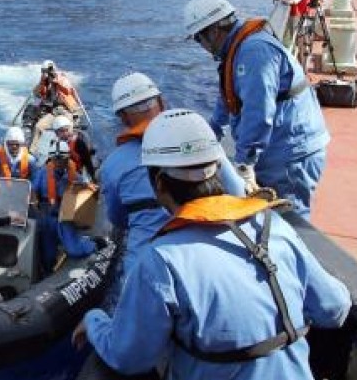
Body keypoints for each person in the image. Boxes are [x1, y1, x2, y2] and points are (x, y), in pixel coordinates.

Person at [72, 109, 351, 380]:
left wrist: (96, 322)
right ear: (217, 169)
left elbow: (130, 356)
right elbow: (334, 309)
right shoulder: (273, 226)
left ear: (159, 184)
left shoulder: (162, 261)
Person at [183, 0, 330, 219]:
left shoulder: (253, 52)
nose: (200, 46)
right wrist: (211, 132)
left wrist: (244, 163)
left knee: (290, 219)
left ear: (213, 31)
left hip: (291, 151)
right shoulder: (236, 49)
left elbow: (258, 112)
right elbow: (229, 95)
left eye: (198, 39)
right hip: (276, 147)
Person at [100, 72, 249, 272]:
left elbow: (118, 219)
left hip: (145, 263)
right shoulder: (200, 140)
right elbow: (239, 192)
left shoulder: (112, 165)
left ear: (123, 117)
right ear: (161, 102)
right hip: (211, 254)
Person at [33, 139, 96, 272]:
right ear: (51, 159)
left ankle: (92, 244)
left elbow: (86, 190)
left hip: (65, 218)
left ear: (67, 157)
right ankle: (47, 275)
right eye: (55, 158)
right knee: (48, 257)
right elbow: (32, 191)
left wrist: (91, 188)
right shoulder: (42, 173)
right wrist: (34, 204)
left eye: (61, 158)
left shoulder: (76, 176)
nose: (58, 162)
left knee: (74, 250)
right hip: (46, 217)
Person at [52, 113, 97, 180]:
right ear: (56, 133)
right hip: (62, 175)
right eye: (61, 131)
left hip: (77, 174)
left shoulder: (78, 142)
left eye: (66, 130)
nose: (65, 133)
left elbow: (87, 161)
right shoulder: (54, 144)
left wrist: (93, 177)